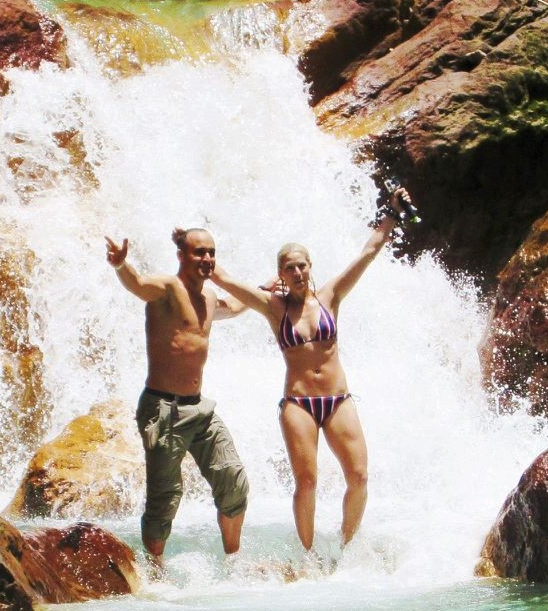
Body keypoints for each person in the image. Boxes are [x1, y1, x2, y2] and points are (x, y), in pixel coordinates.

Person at [212, 197, 402, 552]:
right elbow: (224, 279)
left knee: (359, 477)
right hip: (298, 404)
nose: (297, 273)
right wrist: (195, 251)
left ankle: (345, 549)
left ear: (310, 267)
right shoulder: (273, 307)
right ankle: (309, 556)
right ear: (280, 274)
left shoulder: (331, 295)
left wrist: (391, 214)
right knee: (307, 482)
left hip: (338, 400)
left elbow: (368, 252)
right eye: (289, 268)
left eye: (302, 266)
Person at [105, 227, 252, 563]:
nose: (207, 259)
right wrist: (121, 265)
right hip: (163, 408)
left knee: (233, 479)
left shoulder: (210, 298)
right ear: (182, 256)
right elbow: (138, 284)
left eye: (211, 252)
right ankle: (155, 568)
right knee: (165, 496)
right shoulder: (169, 288)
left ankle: (233, 561)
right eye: (199, 252)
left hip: (200, 408)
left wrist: (266, 290)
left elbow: (234, 305)